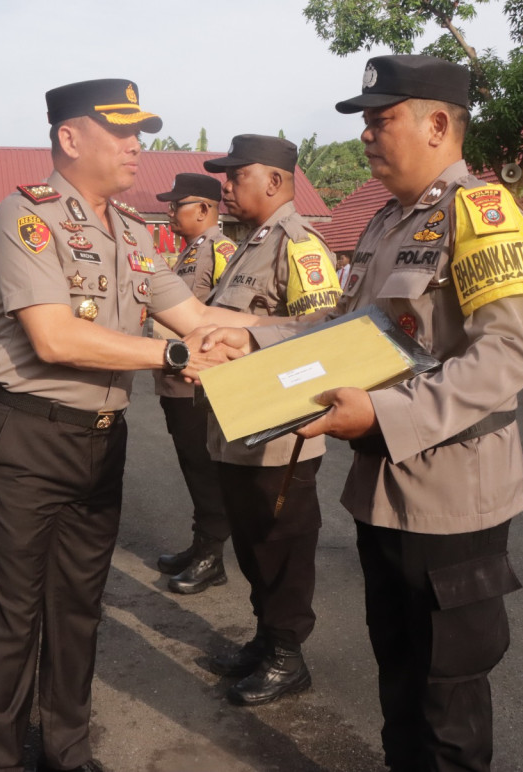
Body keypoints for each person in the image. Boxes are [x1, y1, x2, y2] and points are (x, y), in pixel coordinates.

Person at [199, 54, 523, 771]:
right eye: (365, 121)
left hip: (453, 494)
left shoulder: (481, 214)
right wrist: (255, 338)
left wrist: (385, 416)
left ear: (438, 124)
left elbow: (509, 356)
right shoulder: (386, 222)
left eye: (380, 119)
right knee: (397, 670)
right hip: (383, 489)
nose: (365, 135)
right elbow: (345, 330)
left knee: (447, 690)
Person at [0, 78, 259, 772]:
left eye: (139, 133)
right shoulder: (26, 215)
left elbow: (196, 316)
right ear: (70, 138)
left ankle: (66, 750)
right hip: (28, 433)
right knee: (11, 613)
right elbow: (54, 338)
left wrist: (314, 331)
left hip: (101, 437)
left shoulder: (131, 231)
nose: (136, 146)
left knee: (77, 606)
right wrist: (174, 355)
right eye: (121, 132)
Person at [201, 134, 342, 707]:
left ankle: (288, 654)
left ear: (276, 181)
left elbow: (326, 329)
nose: (227, 187)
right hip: (238, 422)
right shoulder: (249, 244)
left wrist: (248, 333)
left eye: (238, 176)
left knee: (282, 544)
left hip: (281, 431)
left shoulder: (299, 245)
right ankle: (266, 638)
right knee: (253, 541)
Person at [152, 173, 237, 594]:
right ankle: (200, 543)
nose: (170, 213)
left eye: (176, 205)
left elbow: (226, 314)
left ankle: (211, 556)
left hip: (199, 385)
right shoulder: (189, 250)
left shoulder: (222, 250)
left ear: (204, 209)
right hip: (176, 382)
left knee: (205, 469)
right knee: (192, 465)